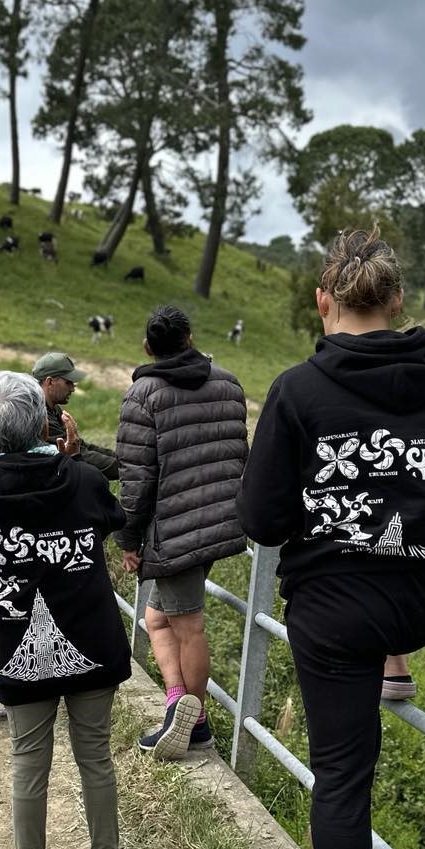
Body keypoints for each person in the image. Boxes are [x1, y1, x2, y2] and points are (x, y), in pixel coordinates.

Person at [236, 228, 425, 849]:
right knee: (394, 554)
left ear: (324, 302)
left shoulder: (297, 391)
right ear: (398, 300)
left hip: (337, 615)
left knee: (343, 772)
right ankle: (396, 665)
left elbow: (261, 521)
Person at [0, 371, 132, 849]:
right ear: (42, 422)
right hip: (92, 638)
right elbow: (112, 519)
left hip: (16, 645)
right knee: (95, 756)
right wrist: (70, 460)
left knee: (28, 763)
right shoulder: (83, 479)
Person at [114, 305, 248, 761]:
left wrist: (128, 540)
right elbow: (238, 453)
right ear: (189, 338)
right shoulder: (228, 383)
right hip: (219, 522)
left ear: (147, 346)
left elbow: (137, 478)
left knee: (188, 626)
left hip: (174, 531)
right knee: (156, 618)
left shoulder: (143, 395)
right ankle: (180, 707)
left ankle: (196, 723)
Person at [32, 351, 119, 481]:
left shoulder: (52, 408)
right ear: (49, 382)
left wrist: (120, 458)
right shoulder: (38, 414)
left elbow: (81, 446)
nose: (73, 389)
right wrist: (125, 468)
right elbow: (75, 455)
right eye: (68, 382)